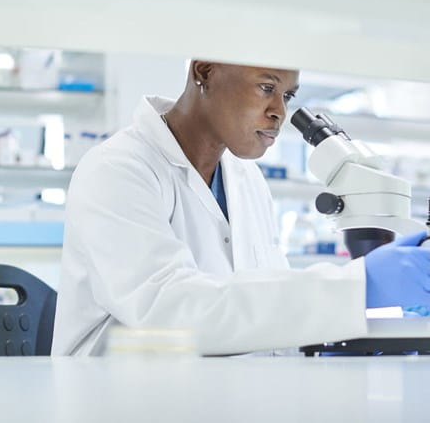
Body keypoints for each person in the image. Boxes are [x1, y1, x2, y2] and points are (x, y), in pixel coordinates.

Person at [52, 61, 430, 356]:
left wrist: (345, 331)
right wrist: (357, 289)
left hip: (214, 393)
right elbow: (168, 312)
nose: (278, 112)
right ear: (205, 72)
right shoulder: (118, 169)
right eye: (266, 87)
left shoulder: (246, 180)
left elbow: (265, 312)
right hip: (112, 399)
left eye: (287, 96)